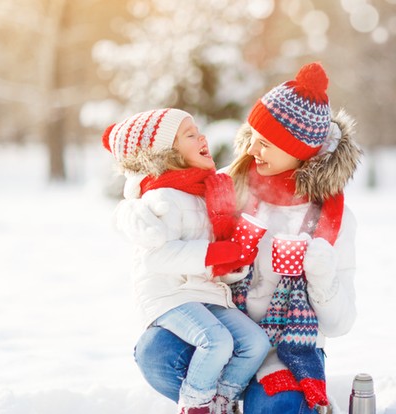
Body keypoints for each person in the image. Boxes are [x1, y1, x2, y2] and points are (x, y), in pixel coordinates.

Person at [121, 62, 362, 413]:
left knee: (277, 407)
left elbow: (340, 324)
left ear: (299, 150)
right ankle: (216, 402)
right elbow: (160, 196)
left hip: (287, 347)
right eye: (251, 138)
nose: (251, 151)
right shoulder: (223, 187)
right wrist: (136, 211)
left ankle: (259, 398)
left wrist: (320, 274)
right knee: (156, 354)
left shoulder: (331, 220)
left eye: (265, 144)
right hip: (222, 331)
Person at [104, 108, 271, 414]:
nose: (202, 137)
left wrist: (232, 265)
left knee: (256, 343)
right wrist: (212, 256)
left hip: (205, 293)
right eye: (190, 135)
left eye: (199, 130)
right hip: (170, 296)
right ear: (167, 152)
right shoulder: (162, 196)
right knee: (216, 341)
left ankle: (222, 402)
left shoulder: (204, 194)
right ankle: (195, 406)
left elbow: (209, 261)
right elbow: (157, 256)